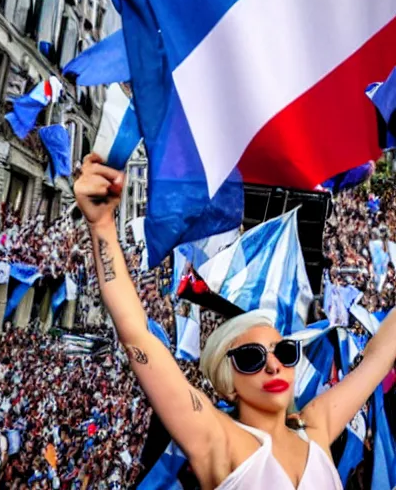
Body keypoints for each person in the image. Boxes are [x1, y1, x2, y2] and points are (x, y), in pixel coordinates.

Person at [74, 153, 396, 490]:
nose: (273, 365)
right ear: (226, 382)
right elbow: (137, 336)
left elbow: (379, 354)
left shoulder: (318, 428)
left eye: (284, 352)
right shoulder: (218, 442)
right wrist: (102, 226)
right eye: (251, 358)